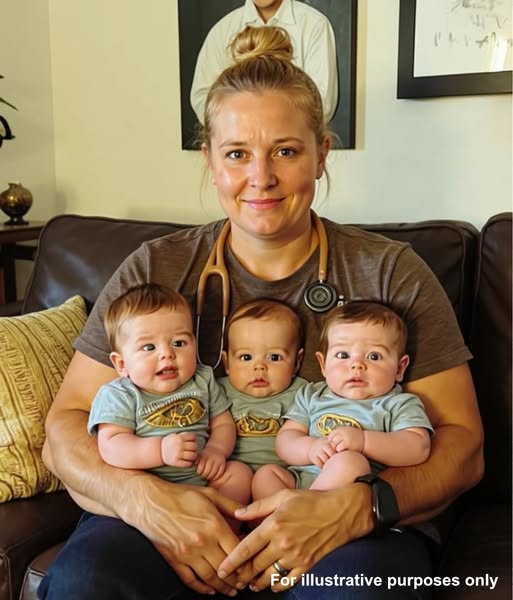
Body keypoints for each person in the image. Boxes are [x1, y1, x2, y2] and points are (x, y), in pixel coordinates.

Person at [39, 24, 484, 600]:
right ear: (210, 161)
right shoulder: (156, 267)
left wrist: (361, 505)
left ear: (322, 154)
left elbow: (463, 446)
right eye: (236, 154)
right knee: (86, 582)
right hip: (174, 502)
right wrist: (142, 499)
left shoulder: (390, 271)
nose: (261, 177)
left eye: (286, 151)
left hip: (351, 519)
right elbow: (65, 427)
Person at [87, 283, 252, 511]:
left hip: (203, 479)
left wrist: (216, 450)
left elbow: (223, 423)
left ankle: (224, 527)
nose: (167, 354)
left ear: (194, 344)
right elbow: (111, 446)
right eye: (149, 347)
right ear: (121, 364)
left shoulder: (202, 380)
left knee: (239, 474)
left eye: (179, 343)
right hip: (153, 490)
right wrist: (160, 450)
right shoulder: (120, 395)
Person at [259, 301, 433, 496]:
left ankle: (302, 508)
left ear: (400, 368)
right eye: (343, 355)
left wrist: (364, 441)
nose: (356, 365)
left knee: (350, 461)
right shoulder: (311, 395)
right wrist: (310, 448)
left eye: (374, 356)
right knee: (267, 474)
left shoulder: (399, 403)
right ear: (323, 364)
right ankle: (278, 514)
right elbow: (286, 439)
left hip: (349, 496)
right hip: (301, 480)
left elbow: (418, 447)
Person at [190, 0, 338, 124]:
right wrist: (239, 129)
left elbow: (322, 104)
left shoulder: (315, 26)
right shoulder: (221, 31)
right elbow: (203, 98)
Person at [217, 299, 308, 499]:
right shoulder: (216, 391)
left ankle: (271, 519)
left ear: (297, 361)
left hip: (281, 475)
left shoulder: (304, 394)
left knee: (268, 477)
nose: (259, 367)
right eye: (246, 357)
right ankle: (224, 518)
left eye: (274, 357)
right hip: (228, 470)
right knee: (234, 473)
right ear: (227, 362)